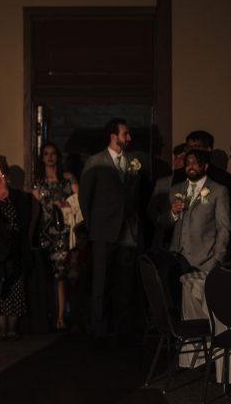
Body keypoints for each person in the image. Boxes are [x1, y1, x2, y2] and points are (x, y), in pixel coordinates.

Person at [79, 118, 147, 339]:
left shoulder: (132, 162)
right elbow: (84, 198)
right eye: (125, 134)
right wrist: (93, 226)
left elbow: (135, 197)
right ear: (113, 136)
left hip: (126, 231)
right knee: (101, 284)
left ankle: (123, 330)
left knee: (124, 283)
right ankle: (99, 330)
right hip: (103, 230)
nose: (129, 138)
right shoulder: (96, 161)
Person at [157, 149, 231, 273]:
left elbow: (224, 228)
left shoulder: (218, 191)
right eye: (188, 163)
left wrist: (217, 259)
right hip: (176, 260)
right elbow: (163, 223)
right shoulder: (176, 189)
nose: (191, 166)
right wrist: (173, 213)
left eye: (195, 163)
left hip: (204, 262)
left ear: (205, 166)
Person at [0, 160, 33, 340]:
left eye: (1, 174)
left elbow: (24, 222)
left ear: (8, 178)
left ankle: (12, 330)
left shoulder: (18, 197)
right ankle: (0, 330)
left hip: (15, 249)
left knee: (15, 289)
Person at [32, 142, 76, 330]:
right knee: (46, 275)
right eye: (46, 154)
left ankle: (61, 317)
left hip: (62, 232)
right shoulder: (38, 183)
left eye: (53, 153)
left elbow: (78, 203)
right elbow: (33, 209)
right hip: (44, 233)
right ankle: (47, 316)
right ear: (42, 158)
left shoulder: (67, 180)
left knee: (61, 275)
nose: (50, 157)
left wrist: (67, 206)